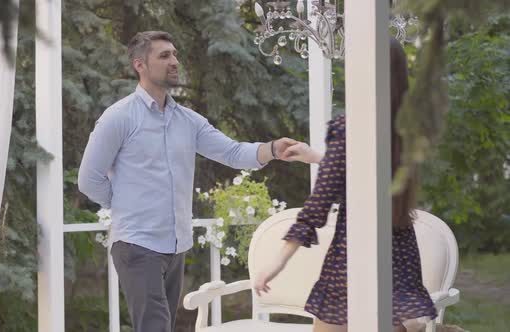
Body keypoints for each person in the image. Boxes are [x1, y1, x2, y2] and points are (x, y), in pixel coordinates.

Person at [78, 30, 298, 332]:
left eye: (175, 54)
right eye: (164, 55)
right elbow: (89, 179)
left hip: (176, 246)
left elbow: (232, 152)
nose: (174, 61)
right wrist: (124, 206)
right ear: (139, 65)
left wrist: (272, 149)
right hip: (137, 244)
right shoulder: (119, 118)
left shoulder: (188, 120)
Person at [254, 38, 438, 332]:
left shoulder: (350, 126)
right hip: (399, 254)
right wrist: (316, 156)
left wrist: (277, 262)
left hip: (354, 256)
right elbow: (368, 176)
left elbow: (317, 206)